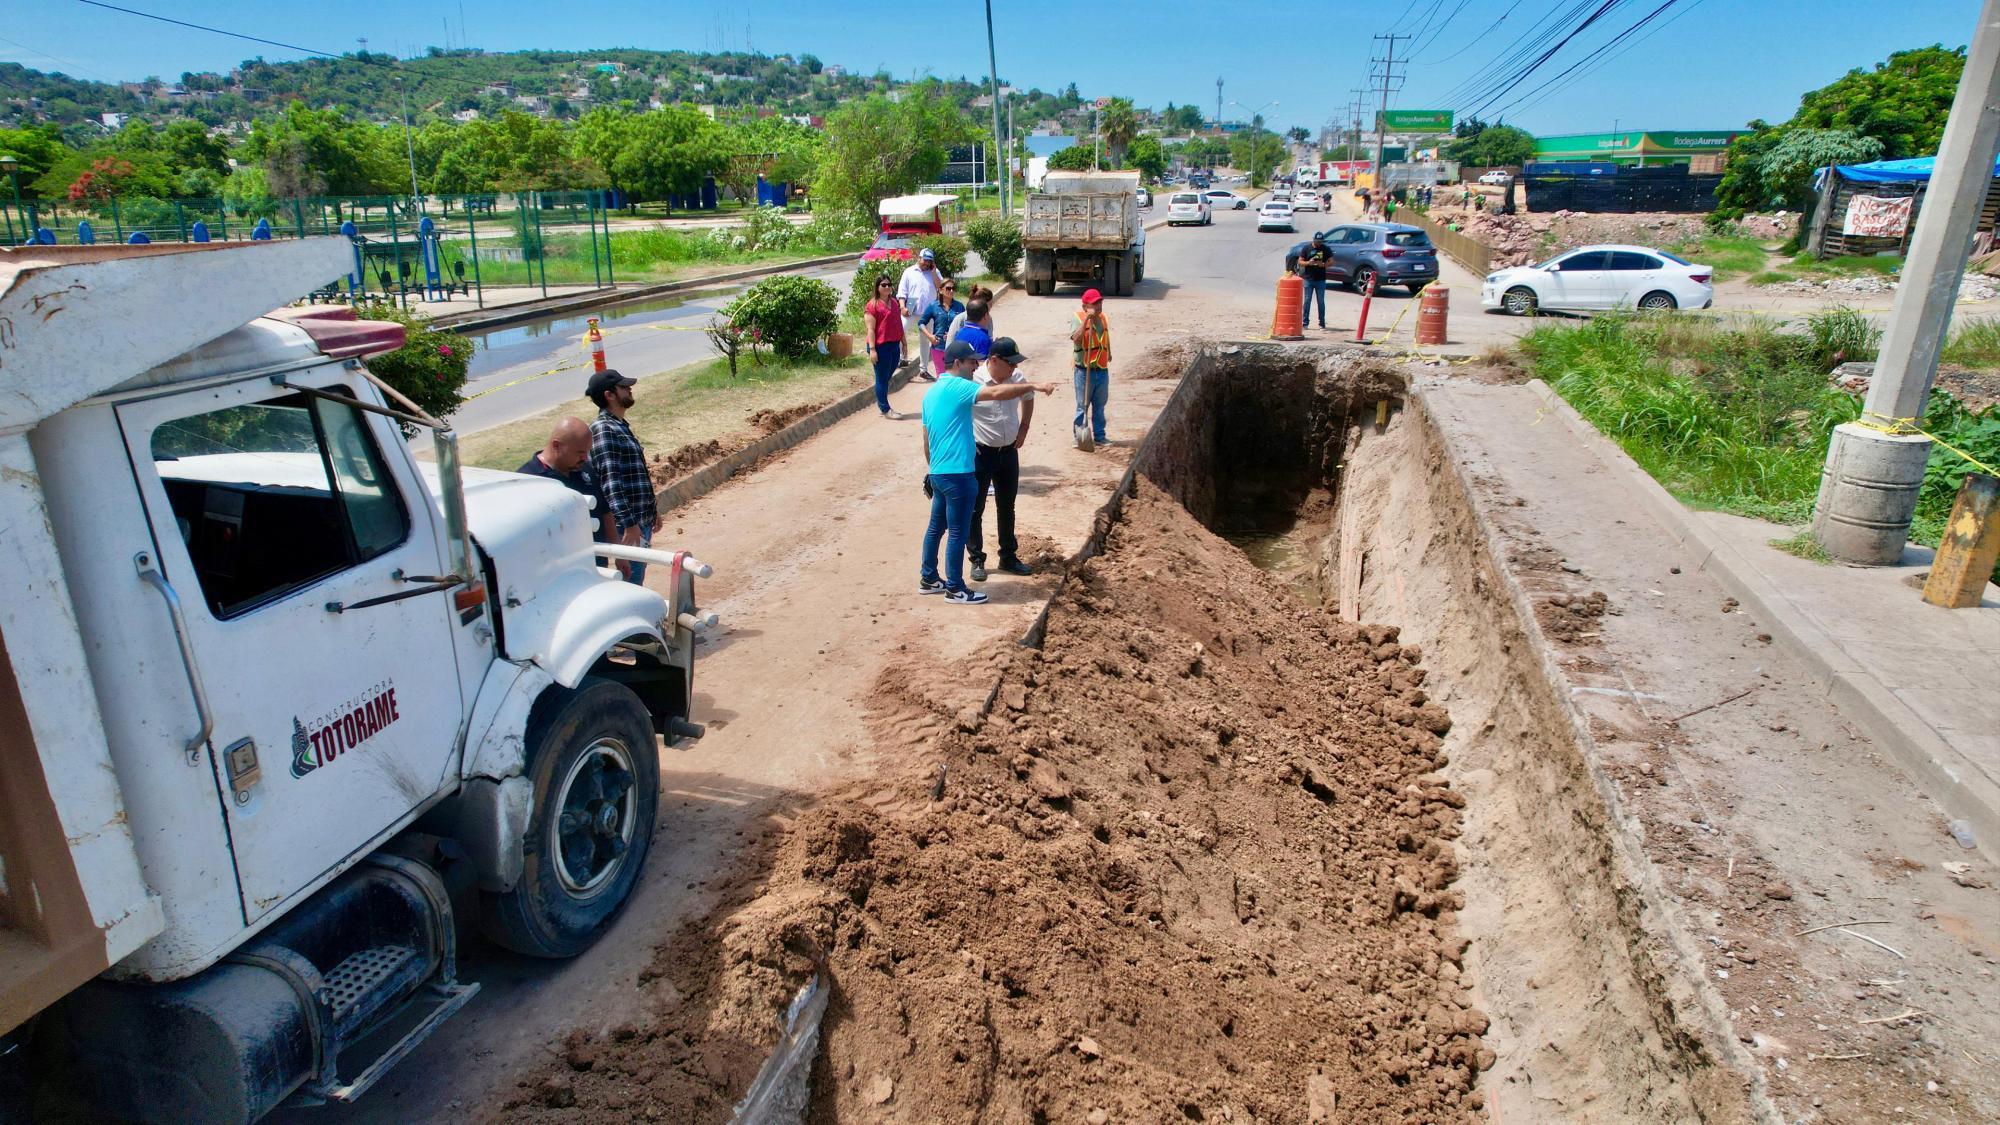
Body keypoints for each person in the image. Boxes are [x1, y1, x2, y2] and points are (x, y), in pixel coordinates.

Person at [919, 340, 1053, 604]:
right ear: (956, 364)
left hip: (939, 472)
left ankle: (929, 578)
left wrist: (932, 468)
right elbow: (995, 394)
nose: (975, 366)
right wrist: (1035, 386)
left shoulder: (931, 393)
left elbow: (926, 437)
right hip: (959, 473)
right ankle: (956, 588)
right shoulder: (959, 386)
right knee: (958, 531)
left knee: (936, 527)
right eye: (970, 362)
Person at [518, 417, 628, 577]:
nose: (585, 458)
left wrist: (620, 555)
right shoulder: (528, 480)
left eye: (587, 451)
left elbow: (605, 513)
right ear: (557, 445)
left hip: (596, 568)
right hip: (557, 575)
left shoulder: (586, 471)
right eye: (580, 452)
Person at [966, 337, 1037, 582]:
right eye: (1011, 363)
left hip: (1008, 453)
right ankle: (977, 559)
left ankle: (1008, 556)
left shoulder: (1017, 378)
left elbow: (1028, 397)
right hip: (981, 454)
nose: (1015, 368)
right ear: (994, 360)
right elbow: (959, 412)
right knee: (975, 508)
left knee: (1007, 506)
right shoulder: (973, 380)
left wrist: (1024, 426)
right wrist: (967, 441)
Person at [586, 369, 660, 585]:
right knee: (631, 580)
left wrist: (653, 510)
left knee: (638, 575)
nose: (630, 389)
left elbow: (636, 474)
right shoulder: (604, 429)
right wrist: (629, 524)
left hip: (640, 520)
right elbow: (611, 482)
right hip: (628, 525)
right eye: (624, 387)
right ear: (610, 395)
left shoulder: (619, 426)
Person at [1069, 288, 1112, 451]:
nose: (1098, 305)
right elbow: (1075, 338)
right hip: (1083, 370)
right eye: (1094, 303)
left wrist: (1109, 353)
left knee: (1100, 405)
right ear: (1085, 305)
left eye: (1099, 302)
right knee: (1082, 405)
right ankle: (1079, 436)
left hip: (1101, 370)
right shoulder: (1078, 318)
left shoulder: (1103, 318)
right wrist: (1087, 318)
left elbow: (1105, 338)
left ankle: (1100, 436)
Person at [862, 274, 905, 419]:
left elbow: (898, 324)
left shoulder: (893, 302)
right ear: (878, 287)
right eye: (883, 285)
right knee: (881, 378)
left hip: (893, 344)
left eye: (889, 284)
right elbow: (871, 330)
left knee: (886, 376)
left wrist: (904, 343)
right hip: (880, 346)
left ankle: (881, 402)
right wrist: (873, 350)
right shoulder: (872, 305)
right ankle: (885, 408)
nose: (887, 287)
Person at [897, 248, 943, 378]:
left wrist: (934, 272)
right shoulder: (909, 272)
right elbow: (902, 291)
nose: (926, 263)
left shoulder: (934, 272)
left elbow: (941, 287)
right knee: (900, 331)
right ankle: (901, 358)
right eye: (925, 260)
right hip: (910, 310)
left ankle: (923, 369)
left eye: (929, 261)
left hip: (928, 312)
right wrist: (902, 307)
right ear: (919, 258)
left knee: (925, 340)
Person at [919, 279, 963, 376]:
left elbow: (965, 325)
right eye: (948, 288)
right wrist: (930, 336)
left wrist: (955, 335)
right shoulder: (933, 306)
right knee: (941, 377)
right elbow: (921, 323)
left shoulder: (960, 307)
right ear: (941, 290)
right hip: (938, 347)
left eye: (953, 288)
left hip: (955, 348)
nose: (951, 291)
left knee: (955, 377)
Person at [1296, 231, 1333, 331]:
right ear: (1313, 240)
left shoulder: (1325, 249)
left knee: (1321, 301)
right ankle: (1305, 323)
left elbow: (1331, 261)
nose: (1319, 243)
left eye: (1321, 242)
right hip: (1308, 279)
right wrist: (1308, 263)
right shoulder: (1307, 248)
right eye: (1317, 241)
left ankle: (1322, 323)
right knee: (1307, 301)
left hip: (1320, 279)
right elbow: (1300, 261)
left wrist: (1324, 265)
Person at [946, 286, 994, 351]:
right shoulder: (960, 319)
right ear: (980, 303)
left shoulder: (988, 318)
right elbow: (949, 345)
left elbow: (989, 339)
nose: (991, 306)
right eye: (990, 303)